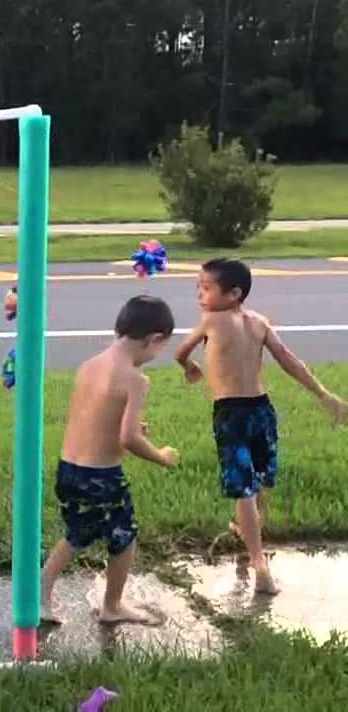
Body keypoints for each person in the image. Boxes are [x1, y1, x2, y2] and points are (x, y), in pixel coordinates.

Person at [174, 258, 348, 596]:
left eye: (206, 288)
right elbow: (288, 360)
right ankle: (247, 527)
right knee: (261, 476)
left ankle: (258, 563)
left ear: (233, 293)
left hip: (231, 414)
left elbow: (180, 352)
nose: (199, 294)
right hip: (262, 409)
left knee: (243, 487)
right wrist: (323, 394)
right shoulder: (259, 322)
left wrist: (189, 366)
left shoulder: (210, 320)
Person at [40, 296, 179, 626]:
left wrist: (125, 425)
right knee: (124, 535)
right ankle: (112, 605)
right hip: (101, 477)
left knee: (78, 533)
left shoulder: (90, 365)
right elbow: (129, 439)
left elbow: (89, 417)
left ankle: (41, 590)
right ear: (154, 339)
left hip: (69, 468)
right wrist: (160, 455)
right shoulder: (135, 379)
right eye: (160, 349)